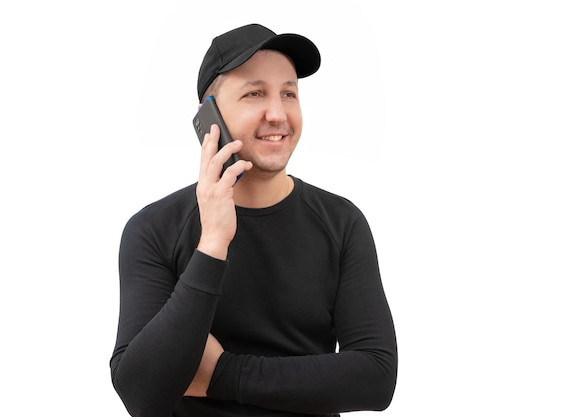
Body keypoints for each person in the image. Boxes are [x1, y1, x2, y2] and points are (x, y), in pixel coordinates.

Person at [110, 23, 397, 417]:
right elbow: (142, 394)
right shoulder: (154, 229)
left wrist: (225, 373)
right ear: (209, 117)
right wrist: (212, 243)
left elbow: (376, 379)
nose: (277, 113)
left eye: (289, 93)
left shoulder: (341, 222)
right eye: (255, 93)